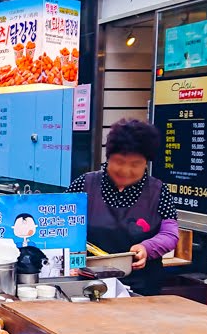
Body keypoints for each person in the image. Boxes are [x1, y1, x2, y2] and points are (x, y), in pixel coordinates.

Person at [67, 119, 179, 295]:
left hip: (141, 285)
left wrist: (147, 248)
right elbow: (64, 225)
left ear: (146, 163)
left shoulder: (158, 191)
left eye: (135, 164)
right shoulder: (84, 185)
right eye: (119, 162)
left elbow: (170, 234)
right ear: (108, 157)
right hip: (88, 281)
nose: (126, 170)